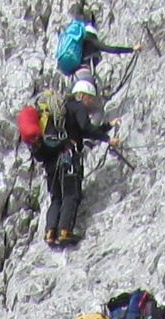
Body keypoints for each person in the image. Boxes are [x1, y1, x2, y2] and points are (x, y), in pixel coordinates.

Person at [34, 77, 122, 248]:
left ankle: (50, 232)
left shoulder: (59, 111)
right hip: (68, 157)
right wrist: (108, 139)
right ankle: (64, 232)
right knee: (70, 194)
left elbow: (83, 131)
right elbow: (86, 128)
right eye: (89, 98)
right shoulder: (78, 106)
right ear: (81, 95)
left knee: (56, 197)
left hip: (50, 159)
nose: (90, 103)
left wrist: (107, 126)